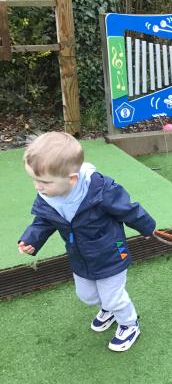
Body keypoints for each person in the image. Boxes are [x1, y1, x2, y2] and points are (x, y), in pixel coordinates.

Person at [18, 132, 156, 352]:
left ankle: (130, 324)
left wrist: (147, 227)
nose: (37, 186)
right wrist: (31, 238)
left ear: (71, 179)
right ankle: (109, 310)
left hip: (112, 251)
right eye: (34, 180)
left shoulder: (101, 190)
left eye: (44, 182)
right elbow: (44, 220)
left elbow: (128, 210)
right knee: (87, 296)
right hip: (80, 255)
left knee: (113, 297)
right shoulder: (48, 196)